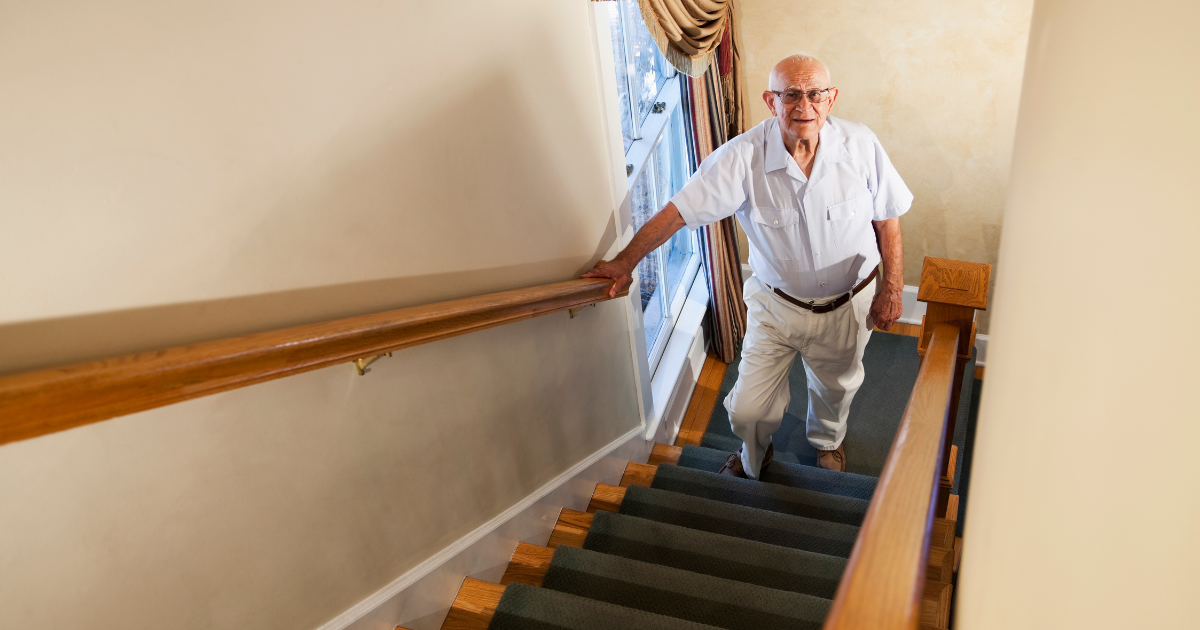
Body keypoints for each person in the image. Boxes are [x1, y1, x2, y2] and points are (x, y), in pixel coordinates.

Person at [584, 53, 912, 476]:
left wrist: (891, 287)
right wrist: (625, 261)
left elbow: (888, 220)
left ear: (832, 99)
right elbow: (678, 211)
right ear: (770, 100)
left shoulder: (861, 145)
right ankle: (755, 455)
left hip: (849, 304)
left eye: (815, 94)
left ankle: (828, 441)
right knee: (748, 410)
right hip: (777, 306)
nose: (803, 106)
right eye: (790, 94)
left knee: (836, 389)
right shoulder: (741, 157)